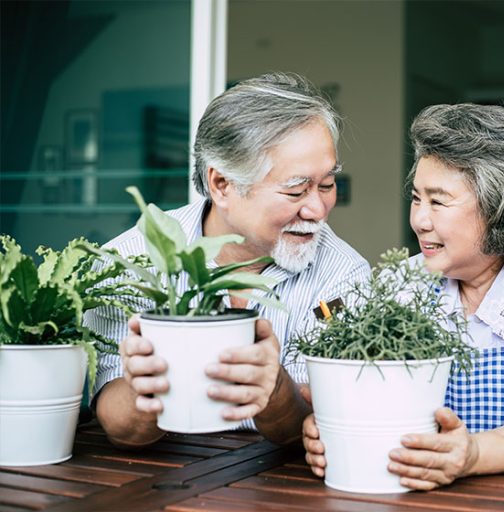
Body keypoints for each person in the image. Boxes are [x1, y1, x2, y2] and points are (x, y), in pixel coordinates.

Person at [302, 103, 504, 490]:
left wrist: (472, 454)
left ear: (501, 208)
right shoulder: (402, 284)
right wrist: (329, 423)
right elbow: (369, 392)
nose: (419, 220)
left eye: (438, 201)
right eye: (416, 198)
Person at [85, 72, 370, 448]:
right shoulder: (130, 261)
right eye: (297, 190)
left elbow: (315, 428)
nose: (318, 208)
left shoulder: (343, 276)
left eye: (327, 185)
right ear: (222, 185)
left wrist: (275, 388)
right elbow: (121, 428)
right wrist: (147, 388)